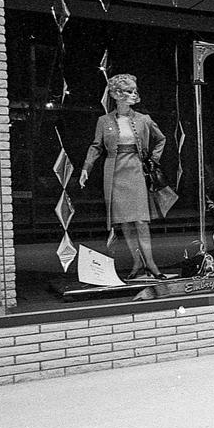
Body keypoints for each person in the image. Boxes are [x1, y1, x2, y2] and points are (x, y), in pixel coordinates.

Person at [79, 74, 167, 279]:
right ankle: (137, 263)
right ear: (116, 94)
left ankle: (151, 264)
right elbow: (96, 146)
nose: (134, 94)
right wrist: (86, 168)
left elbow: (161, 139)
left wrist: (153, 159)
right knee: (125, 222)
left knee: (141, 221)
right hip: (115, 172)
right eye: (129, 91)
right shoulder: (104, 121)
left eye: (135, 90)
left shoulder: (143, 119)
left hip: (136, 170)